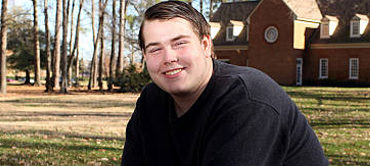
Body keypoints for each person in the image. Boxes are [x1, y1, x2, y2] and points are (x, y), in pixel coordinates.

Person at [121, 1, 328, 166]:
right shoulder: (152, 101)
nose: (169, 57)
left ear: (205, 45)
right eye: (155, 49)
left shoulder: (248, 100)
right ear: (145, 57)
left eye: (180, 43)